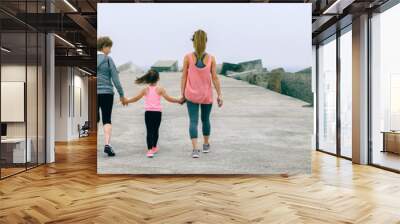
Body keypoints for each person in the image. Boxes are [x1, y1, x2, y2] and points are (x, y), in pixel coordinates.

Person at [181, 29, 223, 158]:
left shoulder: (188, 57)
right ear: (206, 41)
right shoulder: (211, 59)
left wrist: (182, 94)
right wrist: (220, 94)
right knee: (205, 120)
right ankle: (205, 145)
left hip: (191, 95)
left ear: (193, 41)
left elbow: (184, 77)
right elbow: (215, 78)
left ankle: (195, 150)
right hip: (206, 95)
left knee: (193, 121)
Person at [126, 70, 184, 158]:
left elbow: (136, 98)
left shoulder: (145, 89)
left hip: (148, 113)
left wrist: (127, 100)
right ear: (158, 78)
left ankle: (149, 150)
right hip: (157, 113)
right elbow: (169, 98)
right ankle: (154, 147)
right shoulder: (160, 89)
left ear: (148, 79)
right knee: (155, 130)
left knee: (149, 131)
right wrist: (178, 100)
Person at [97, 36, 127, 157]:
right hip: (107, 93)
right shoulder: (108, 60)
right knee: (106, 119)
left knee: (95, 119)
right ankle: (107, 145)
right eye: (109, 47)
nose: (110, 50)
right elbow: (115, 79)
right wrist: (122, 95)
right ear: (104, 46)